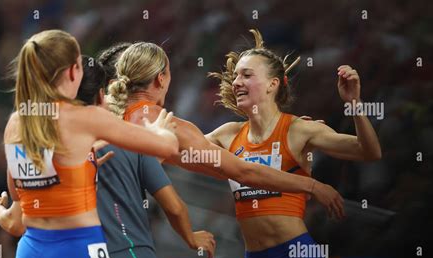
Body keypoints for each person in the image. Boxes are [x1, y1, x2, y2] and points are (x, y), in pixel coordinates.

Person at [0, 56, 216, 258]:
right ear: (100, 95)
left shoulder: (23, 127)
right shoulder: (94, 122)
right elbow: (168, 150)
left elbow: (15, 221)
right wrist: (158, 133)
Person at [205, 29, 382, 258]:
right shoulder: (226, 136)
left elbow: (369, 151)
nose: (236, 82)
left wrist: (354, 104)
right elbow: (178, 150)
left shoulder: (299, 130)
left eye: (246, 75)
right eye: (235, 76)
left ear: (273, 84)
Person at [102, 41, 345, 220]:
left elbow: (211, 162)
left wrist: (283, 136)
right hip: (126, 240)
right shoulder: (167, 124)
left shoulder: (104, 115)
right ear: (161, 79)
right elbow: (240, 170)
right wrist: (313, 185)